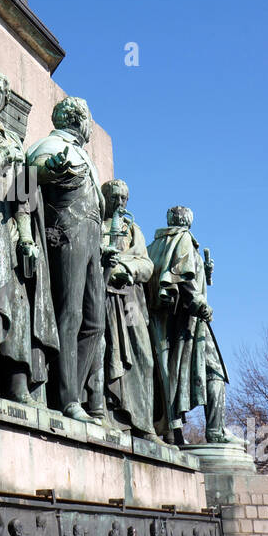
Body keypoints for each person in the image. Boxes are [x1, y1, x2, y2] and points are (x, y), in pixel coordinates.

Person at [0, 70, 57, 401]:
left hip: (9, 228)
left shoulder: (16, 142)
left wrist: (27, 239)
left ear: (5, 97)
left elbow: (24, 199)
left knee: (16, 302)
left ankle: (17, 380)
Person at [26, 97, 105, 421]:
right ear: (79, 120)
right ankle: (67, 397)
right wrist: (50, 168)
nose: (89, 126)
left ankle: (74, 386)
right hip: (67, 233)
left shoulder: (85, 155)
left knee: (95, 323)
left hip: (92, 242)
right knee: (69, 313)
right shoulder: (51, 144)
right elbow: (33, 171)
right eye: (88, 120)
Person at [146, 205, 231, 444]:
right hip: (189, 323)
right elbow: (183, 280)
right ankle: (215, 431)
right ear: (188, 222)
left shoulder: (153, 246)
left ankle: (174, 432)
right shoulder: (183, 240)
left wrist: (205, 273)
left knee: (169, 378)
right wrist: (201, 305)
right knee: (215, 371)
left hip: (164, 325)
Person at [99, 179, 157, 437]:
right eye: (115, 198)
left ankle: (144, 423)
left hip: (131, 299)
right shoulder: (97, 225)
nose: (120, 203)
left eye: (124, 198)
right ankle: (114, 416)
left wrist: (127, 267)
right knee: (109, 352)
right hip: (105, 296)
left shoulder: (134, 230)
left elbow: (147, 265)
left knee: (144, 356)